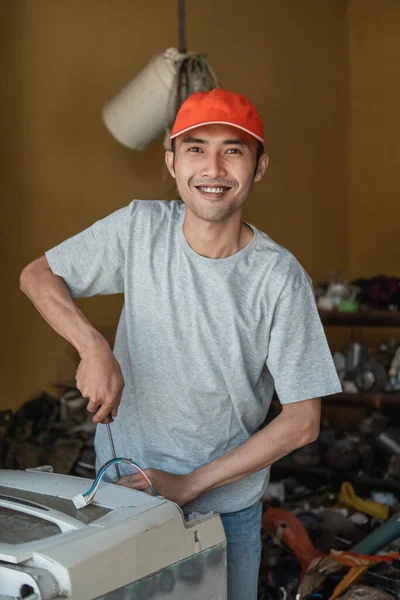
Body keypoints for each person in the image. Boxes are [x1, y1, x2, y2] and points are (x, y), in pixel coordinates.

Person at [20, 88, 342, 599]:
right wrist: (92, 346)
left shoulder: (279, 278)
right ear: (171, 162)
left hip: (224, 513)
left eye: (233, 150)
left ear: (258, 167)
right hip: (122, 497)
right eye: (195, 148)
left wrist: (189, 484)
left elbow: (303, 421)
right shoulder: (139, 227)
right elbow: (39, 275)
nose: (212, 167)